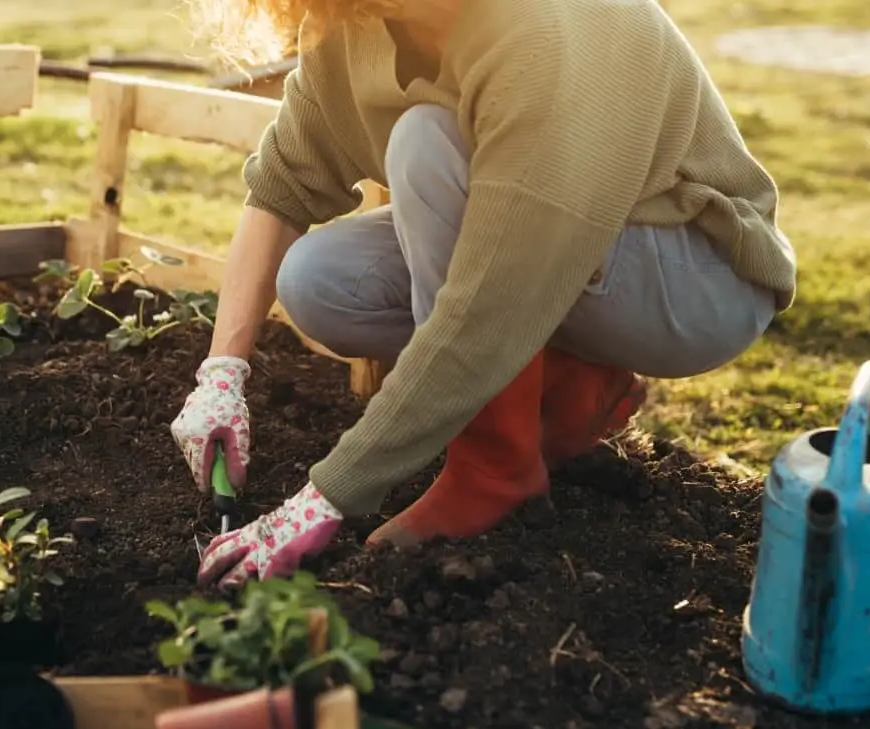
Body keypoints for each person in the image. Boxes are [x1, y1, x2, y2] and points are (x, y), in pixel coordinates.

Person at [169, 0, 797, 590]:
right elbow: (284, 181)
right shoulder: (356, 22)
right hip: (553, 250)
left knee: (425, 143)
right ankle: (570, 384)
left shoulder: (543, 29)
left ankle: (495, 468)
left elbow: (487, 309)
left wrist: (325, 498)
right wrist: (221, 373)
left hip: (692, 276)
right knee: (321, 281)